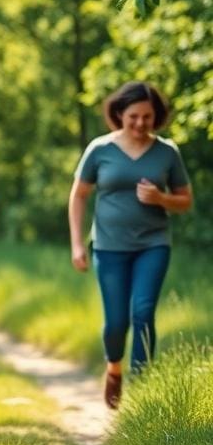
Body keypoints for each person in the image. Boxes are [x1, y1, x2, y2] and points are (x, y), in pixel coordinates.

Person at [68, 81, 192, 409]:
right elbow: (79, 195)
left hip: (153, 244)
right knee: (116, 322)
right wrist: (77, 244)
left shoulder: (167, 152)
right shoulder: (100, 149)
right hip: (109, 247)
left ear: (157, 117)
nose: (140, 123)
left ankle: (141, 394)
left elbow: (185, 200)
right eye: (134, 116)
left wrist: (160, 197)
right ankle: (113, 368)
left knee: (143, 313)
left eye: (147, 117)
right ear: (120, 113)